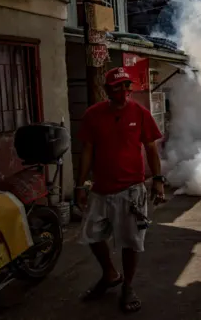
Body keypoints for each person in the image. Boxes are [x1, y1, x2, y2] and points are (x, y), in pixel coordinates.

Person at [74, 66, 166, 313]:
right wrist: (80, 185)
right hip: (100, 189)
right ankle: (109, 273)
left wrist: (158, 180)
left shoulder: (140, 113)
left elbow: (151, 148)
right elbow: (87, 152)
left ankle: (128, 285)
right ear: (107, 90)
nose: (124, 90)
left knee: (131, 241)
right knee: (92, 235)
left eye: (127, 85)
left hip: (131, 189)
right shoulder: (93, 115)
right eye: (118, 86)